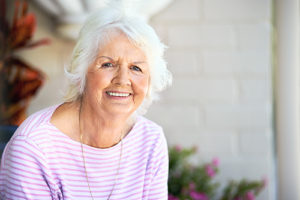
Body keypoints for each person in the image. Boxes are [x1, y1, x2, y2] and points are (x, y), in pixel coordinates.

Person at [0, 4, 172, 200]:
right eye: (108, 64)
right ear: (81, 72)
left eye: (136, 68)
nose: (123, 80)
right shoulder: (34, 146)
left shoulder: (150, 140)